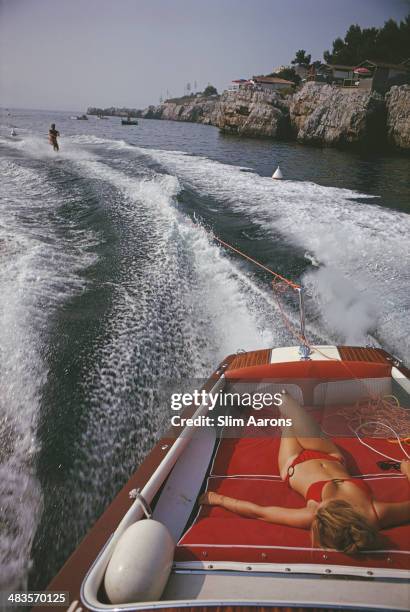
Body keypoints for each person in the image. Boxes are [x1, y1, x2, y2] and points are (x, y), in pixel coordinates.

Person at [200, 391, 410, 555]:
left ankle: (245, 407)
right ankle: (274, 407)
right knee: (287, 403)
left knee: (285, 407)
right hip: (330, 455)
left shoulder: (313, 515)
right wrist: (407, 469)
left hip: (293, 462)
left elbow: (260, 512)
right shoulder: (376, 514)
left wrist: (218, 499)